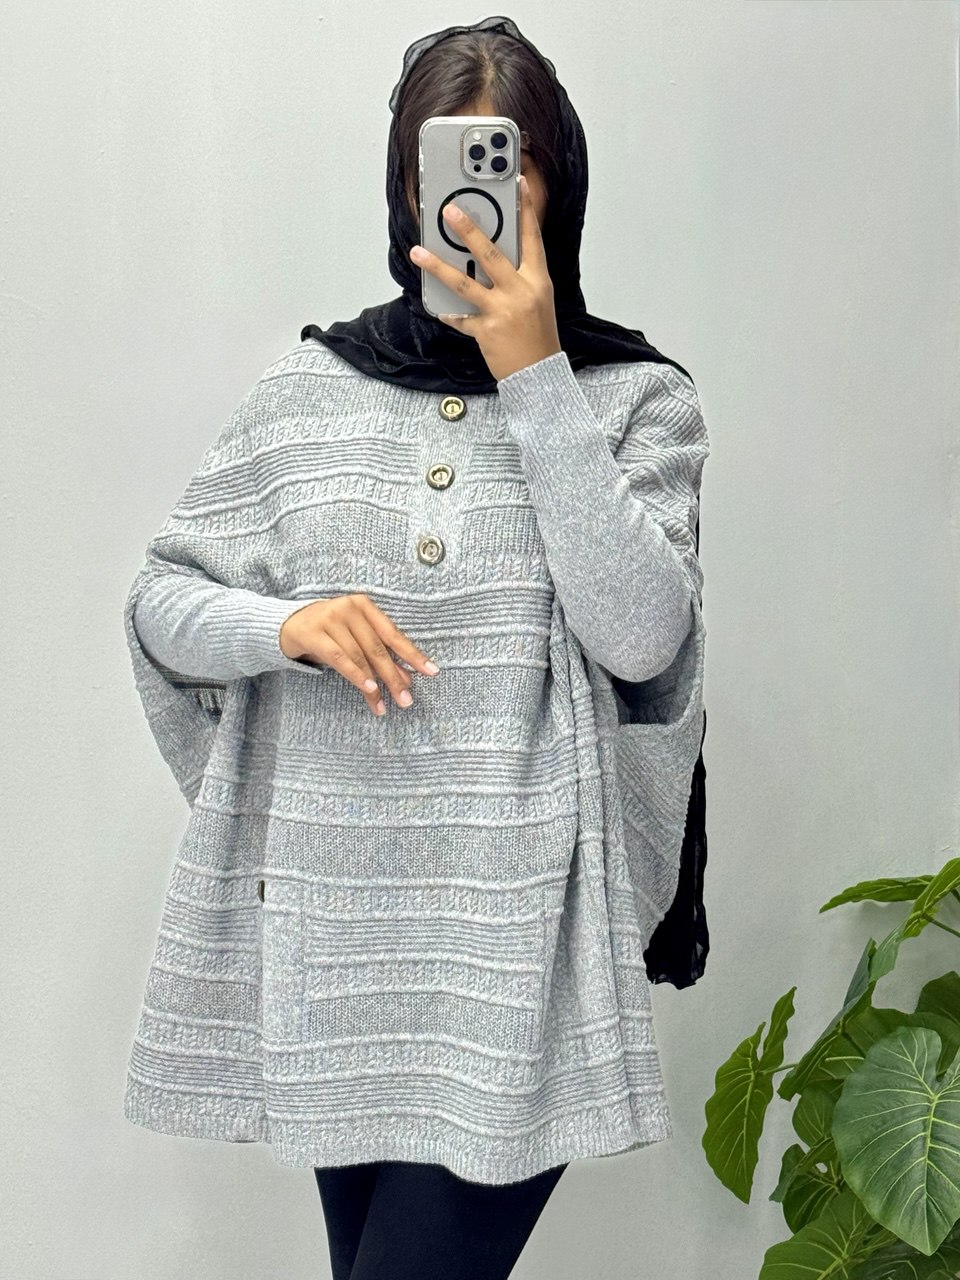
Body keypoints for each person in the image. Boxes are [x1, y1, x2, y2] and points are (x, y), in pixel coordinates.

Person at [121, 15, 709, 1279]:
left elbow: (642, 634)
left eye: (512, 167)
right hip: (338, 934)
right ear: (405, 189)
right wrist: (281, 624)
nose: (478, 206)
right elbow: (162, 599)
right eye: (445, 169)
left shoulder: (634, 399)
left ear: (557, 185)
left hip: (518, 944)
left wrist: (535, 375)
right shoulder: (305, 392)